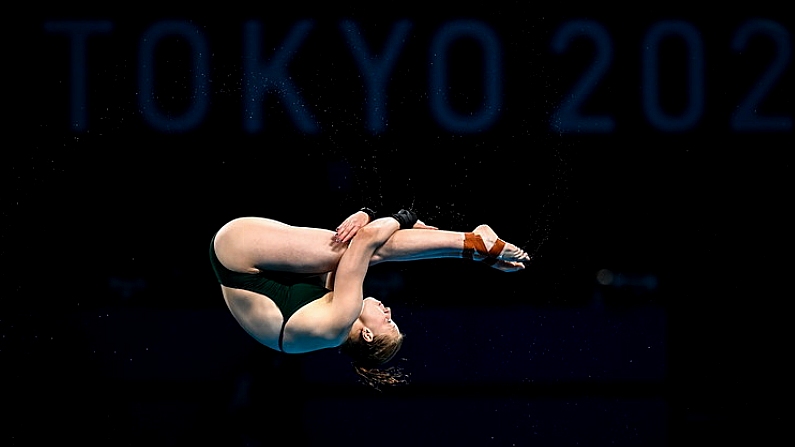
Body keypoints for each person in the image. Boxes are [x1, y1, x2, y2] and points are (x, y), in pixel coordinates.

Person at [209, 208, 530, 388]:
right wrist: (372, 225)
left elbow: (363, 241)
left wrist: (398, 214)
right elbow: (359, 253)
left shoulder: (339, 319)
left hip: (240, 250)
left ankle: (473, 245)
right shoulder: (327, 327)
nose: (388, 310)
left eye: (388, 322)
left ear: (366, 333)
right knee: (366, 253)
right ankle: (474, 247)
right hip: (244, 261)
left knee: (364, 248)